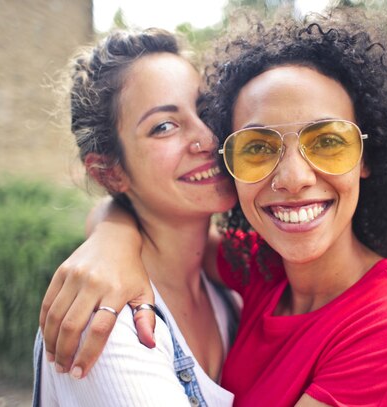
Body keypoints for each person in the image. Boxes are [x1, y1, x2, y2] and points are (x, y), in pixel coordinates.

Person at [41, 8, 387, 406]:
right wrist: (111, 233)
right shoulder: (263, 274)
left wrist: (110, 235)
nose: (293, 178)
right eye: (259, 146)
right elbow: (177, 247)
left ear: (366, 157)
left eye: (327, 141)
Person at [34, 28, 238, 406]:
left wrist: (112, 229)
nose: (209, 138)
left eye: (206, 110)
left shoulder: (229, 290)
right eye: (163, 126)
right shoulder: (107, 326)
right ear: (109, 173)